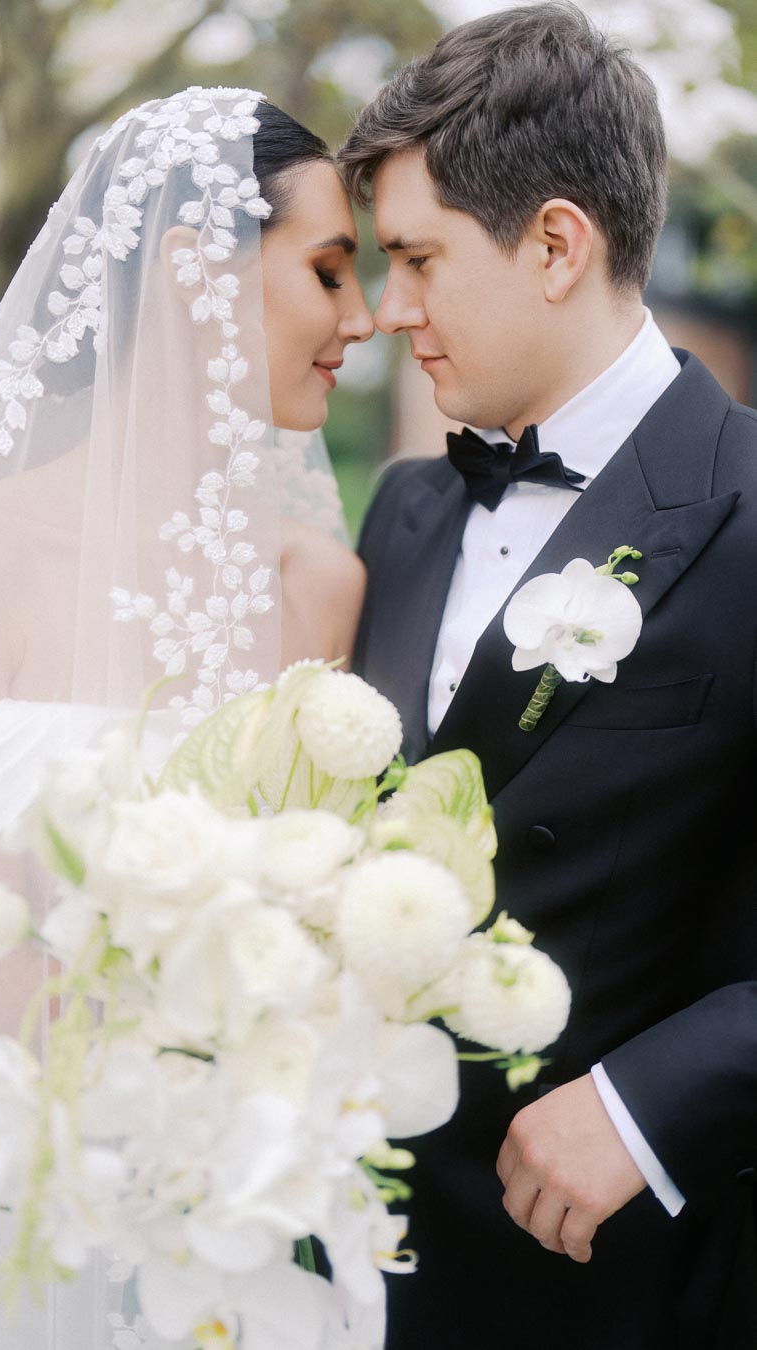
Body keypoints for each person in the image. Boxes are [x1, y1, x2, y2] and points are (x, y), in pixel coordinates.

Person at [0, 87, 372, 1349]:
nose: (362, 320)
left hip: (227, 1226)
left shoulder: (319, 585)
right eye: (327, 270)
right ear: (196, 271)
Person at [339, 6, 757, 1348]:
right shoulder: (401, 511)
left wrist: (652, 1098)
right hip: (364, 1263)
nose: (388, 309)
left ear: (559, 244)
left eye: (415, 259)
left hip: (637, 1286)